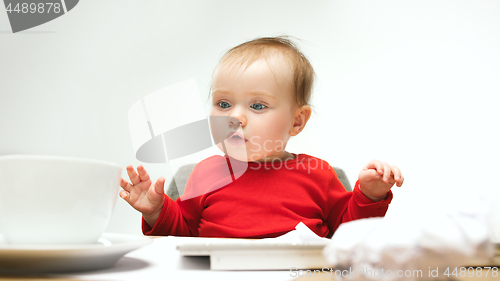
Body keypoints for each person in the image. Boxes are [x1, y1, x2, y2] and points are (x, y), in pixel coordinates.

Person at [120, 36, 404, 238]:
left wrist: (369, 195)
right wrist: (157, 211)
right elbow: (182, 232)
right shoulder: (204, 174)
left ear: (296, 121)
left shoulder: (318, 174)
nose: (235, 117)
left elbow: (350, 234)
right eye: (223, 104)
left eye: (257, 106)